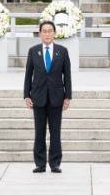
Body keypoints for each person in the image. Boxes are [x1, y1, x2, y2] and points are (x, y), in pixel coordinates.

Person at [24, 21, 72, 173]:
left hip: (57, 97)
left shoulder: (62, 51)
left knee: (55, 132)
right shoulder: (33, 51)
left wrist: (68, 96)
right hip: (38, 97)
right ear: (39, 34)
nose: (47, 34)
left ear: (54, 33)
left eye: (49, 31)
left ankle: (55, 163)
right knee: (39, 132)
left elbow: (68, 76)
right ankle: (40, 163)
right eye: (44, 31)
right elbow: (28, 75)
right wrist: (26, 95)